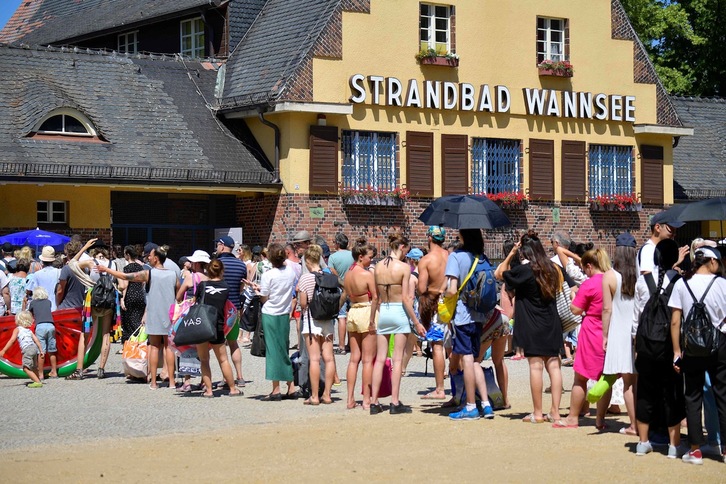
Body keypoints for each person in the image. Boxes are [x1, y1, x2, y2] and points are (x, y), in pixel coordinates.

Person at [496, 232, 563, 424]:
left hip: (532, 323)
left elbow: (499, 273)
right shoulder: (553, 268)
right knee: (554, 366)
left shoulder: (525, 271)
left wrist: (511, 253)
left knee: (535, 366)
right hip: (551, 322)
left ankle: (538, 412)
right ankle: (555, 412)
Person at [669, 246, 726, 465]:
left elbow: (676, 321)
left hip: (691, 347)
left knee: (692, 396)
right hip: (720, 343)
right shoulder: (722, 284)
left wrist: (676, 352)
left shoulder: (682, 284)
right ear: (712, 262)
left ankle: (695, 450)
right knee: (722, 394)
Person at [631, 239, 685, 458]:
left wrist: (636, 345)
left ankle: (643, 442)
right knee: (671, 393)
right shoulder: (679, 282)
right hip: (669, 346)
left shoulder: (643, 281)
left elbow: (636, 319)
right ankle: (674, 445)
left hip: (645, 345)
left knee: (644, 391)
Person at [98, 245, 179, 389]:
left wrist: (106, 270)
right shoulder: (173, 274)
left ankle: (153, 382)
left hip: (154, 313)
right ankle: (172, 381)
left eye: (150, 256)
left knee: (153, 347)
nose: (148, 257)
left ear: (156, 258)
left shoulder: (149, 274)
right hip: (169, 314)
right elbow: (178, 295)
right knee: (169, 347)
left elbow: (125, 277)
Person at [553, 249, 612, 429]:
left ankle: (572, 417)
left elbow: (575, 309)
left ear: (589, 266)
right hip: (609, 330)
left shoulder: (589, 284)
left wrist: (573, 296)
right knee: (605, 377)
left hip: (591, 330)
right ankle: (600, 419)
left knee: (581, 378)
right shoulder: (613, 280)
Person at [370, 232, 426, 415]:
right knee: (397, 358)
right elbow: (405, 299)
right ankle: (394, 401)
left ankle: (374, 401)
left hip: (383, 311)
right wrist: (417, 322)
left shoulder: (377, 266)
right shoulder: (403, 268)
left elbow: (376, 297)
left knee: (379, 359)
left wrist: (372, 319)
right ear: (401, 247)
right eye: (406, 251)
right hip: (398, 312)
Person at [444, 229, 495, 420]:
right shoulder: (481, 257)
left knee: (466, 359)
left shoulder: (456, 257)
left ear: (463, 237)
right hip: (480, 315)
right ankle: (486, 404)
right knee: (475, 360)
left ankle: (471, 406)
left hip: (463, 315)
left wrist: (444, 295)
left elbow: (452, 289)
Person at [601, 233, 638, 436]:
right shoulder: (641, 274)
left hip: (619, 331)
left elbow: (607, 310)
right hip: (637, 331)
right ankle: (642, 422)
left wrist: (605, 335)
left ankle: (634, 425)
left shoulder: (610, 276)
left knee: (627, 383)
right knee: (636, 380)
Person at [193, 259, 241, 398]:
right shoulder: (226, 287)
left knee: (204, 359)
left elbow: (196, 301)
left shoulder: (202, 285)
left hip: (202, 324)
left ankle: (209, 391)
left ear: (208, 270)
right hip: (217, 325)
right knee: (223, 359)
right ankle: (232, 389)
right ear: (222, 271)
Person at [297, 244, 337, 405]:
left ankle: (314, 396)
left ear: (307, 260)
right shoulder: (328, 275)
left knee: (314, 359)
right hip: (327, 320)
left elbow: (303, 303)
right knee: (329, 358)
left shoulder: (305, 278)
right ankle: (327, 394)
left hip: (311, 320)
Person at [259, 242, 298, 400]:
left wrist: (258, 291)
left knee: (272, 351)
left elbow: (264, 296)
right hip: (284, 312)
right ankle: (291, 386)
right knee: (283, 348)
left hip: (270, 313)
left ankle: (276, 389)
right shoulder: (290, 272)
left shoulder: (268, 275)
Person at [344, 237, 378, 409]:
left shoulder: (348, 274)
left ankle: (349, 398)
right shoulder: (366, 274)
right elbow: (375, 298)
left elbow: (345, 294)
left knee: (353, 359)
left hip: (353, 311)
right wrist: (372, 320)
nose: (370, 259)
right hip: (365, 310)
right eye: (369, 257)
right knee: (367, 360)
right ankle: (366, 400)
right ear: (360, 256)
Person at [417, 226, 450, 400]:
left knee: (437, 346)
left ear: (430, 238)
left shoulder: (426, 260)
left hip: (436, 305)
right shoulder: (450, 256)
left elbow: (422, 288)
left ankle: (439, 389)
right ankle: (459, 385)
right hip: (451, 304)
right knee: (453, 346)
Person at [214, 235, 247, 388]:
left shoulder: (217, 264)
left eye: (217, 245)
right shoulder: (241, 265)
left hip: (219, 308)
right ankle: (240, 377)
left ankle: (226, 377)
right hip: (234, 309)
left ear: (222, 246)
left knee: (221, 345)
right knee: (233, 343)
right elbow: (241, 288)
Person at [0, 310, 43, 387]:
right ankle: (38, 379)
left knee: (25, 368)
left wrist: (4, 350)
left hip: (27, 349)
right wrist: (41, 350)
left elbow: (12, 340)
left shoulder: (17, 329)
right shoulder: (29, 331)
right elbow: (36, 340)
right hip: (34, 348)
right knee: (34, 367)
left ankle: (38, 382)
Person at [329, 233, 354, 356]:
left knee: (341, 317)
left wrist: (341, 282)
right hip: (353, 287)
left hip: (340, 289)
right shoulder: (353, 256)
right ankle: (351, 344)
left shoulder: (333, 257)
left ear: (338, 244)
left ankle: (341, 346)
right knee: (351, 315)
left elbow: (332, 272)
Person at [402, 247, 424, 376]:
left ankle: (403, 368)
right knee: (437, 342)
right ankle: (443, 370)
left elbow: (410, 298)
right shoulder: (427, 273)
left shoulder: (412, 277)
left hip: (417, 309)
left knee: (410, 341)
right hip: (429, 307)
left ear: (411, 260)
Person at [118, 245, 146, 346]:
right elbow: (143, 282)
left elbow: (125, 285)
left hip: (130, 295)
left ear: (128, 255)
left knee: (128, 320)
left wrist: (122, 299)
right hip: (139, 294)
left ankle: (129, 343)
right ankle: (139, 340)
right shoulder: (140, 267)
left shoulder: (127, 268)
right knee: (138, 319)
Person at [28, 287, 56, 379]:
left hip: (40, 326)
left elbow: (30, 314)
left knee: (41, 351)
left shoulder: (33, 303)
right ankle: (54, 372)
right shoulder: (48, 302)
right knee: (52, 350)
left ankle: (40, 374)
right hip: (51, 326)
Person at [25, 246, 60, 312]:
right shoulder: (59, 272)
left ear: (42, 260)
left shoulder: (36, 275)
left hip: (40, 308)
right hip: (55, 307)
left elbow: (30, 291)